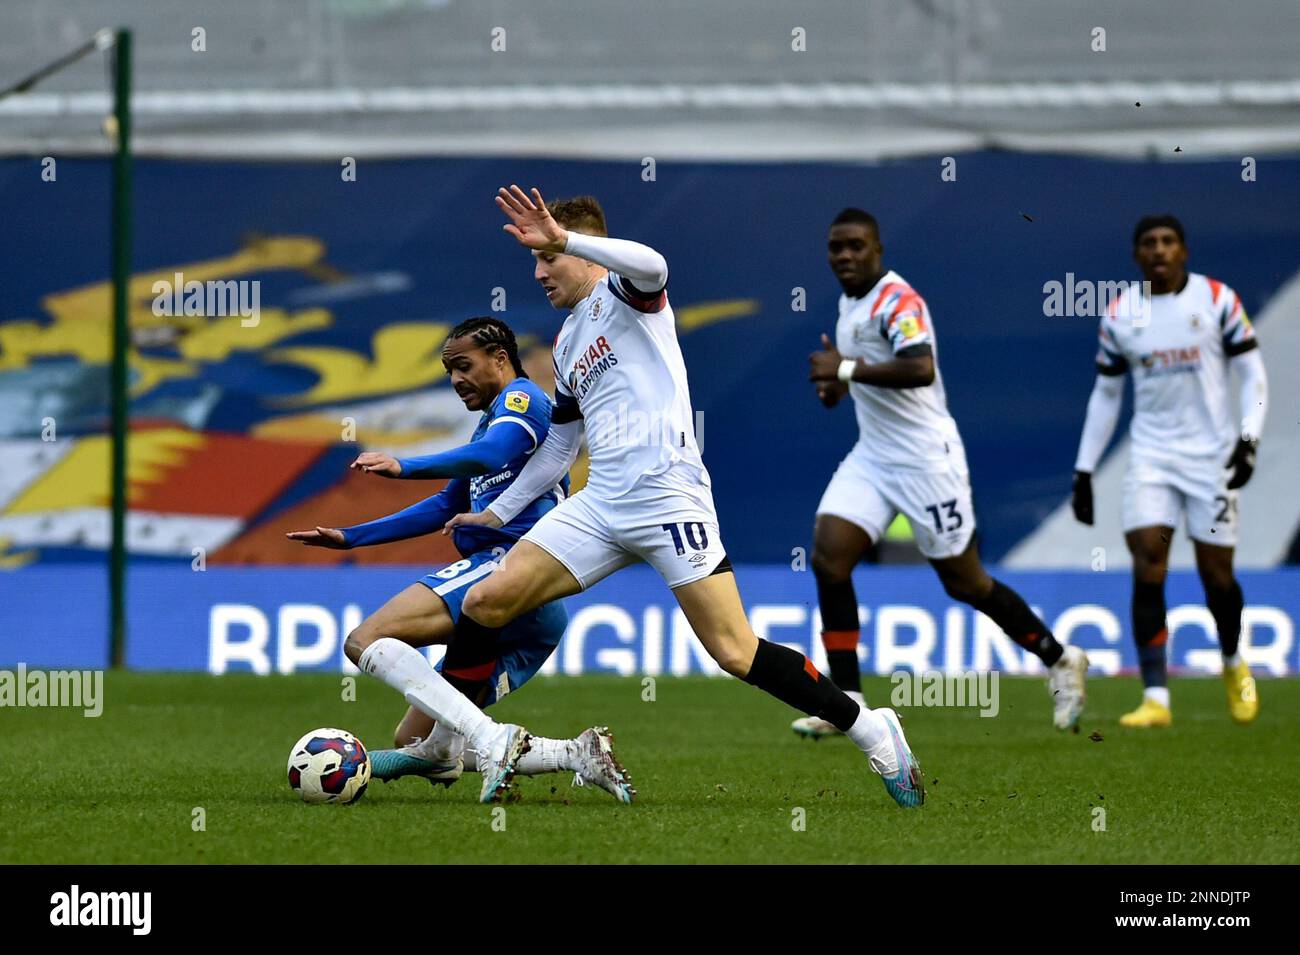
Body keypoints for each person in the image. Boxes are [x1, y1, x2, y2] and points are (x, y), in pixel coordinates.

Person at [361, 185, 926, 809]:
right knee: (487, 600)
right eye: (537, 263)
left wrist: (565, 236)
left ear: (588, 253)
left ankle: (873, 728)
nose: (541, 273)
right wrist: (494, 513)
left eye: (548, 259)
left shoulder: (628, 297)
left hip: (668, 499)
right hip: (601, 503)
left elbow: (655, 264)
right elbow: (557, 449)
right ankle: (451, 741)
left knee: (735, 651)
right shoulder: (570, 342)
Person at [288, 316, 634, 803]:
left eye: (463, 366)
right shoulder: (489, 421)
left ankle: (498, 741)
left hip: (509, 567)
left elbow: (491, 455)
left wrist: (405, 465)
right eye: (449, 371)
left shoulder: (523, 400)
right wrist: (351, 537)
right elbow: (446, 505)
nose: (455, 380)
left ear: (500, 358)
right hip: (531, 613)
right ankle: (575, 753)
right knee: (416, 740)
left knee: (366, 640)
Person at [798, 207, 1089, 738]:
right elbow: (868, 370)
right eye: (836, 247)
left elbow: (919, 366)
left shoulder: (897, 300)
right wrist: (841, 386)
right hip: (875, 455)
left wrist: (843, 369)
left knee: (966, 582)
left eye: (856, 246)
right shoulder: (849, 303)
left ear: (879, 250)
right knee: (829, 558)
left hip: (928, 459)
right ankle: (849, 704)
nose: (844, 256)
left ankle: (1059, 657)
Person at [1072, 215, 1268, 727]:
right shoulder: (1120, 314)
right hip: (1152, 460)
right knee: (1148, 564)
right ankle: (1156, 698)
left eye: (1167, 242)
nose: (1158, 251)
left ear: (1183, 250)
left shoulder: (1217, 299)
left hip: (1212, 459)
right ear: (1137, 255)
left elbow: (1251, 371)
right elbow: (1107, 393)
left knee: (1216, 577)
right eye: (1148, 244)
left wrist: (1248, 439)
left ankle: (1231, 662)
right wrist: (1085, 469)